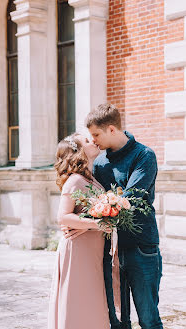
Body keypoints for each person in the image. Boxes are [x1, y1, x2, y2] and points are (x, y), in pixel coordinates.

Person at [84, 103, 163, 329]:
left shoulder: (144, 155)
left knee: (148, 318)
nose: (94, 141)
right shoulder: (99, 163)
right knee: (117, 320)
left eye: (96, 134)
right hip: (109, 249)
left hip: (141, 247)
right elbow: (90, 199)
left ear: (111, 129)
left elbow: (128, 199)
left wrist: (97, 210)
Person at [48, 133, 120, 329]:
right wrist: (95, 224)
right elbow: (62, 217)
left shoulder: (91, 178)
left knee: (91, 300)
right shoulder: (74, 181)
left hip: (92, 251)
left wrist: (91, 222)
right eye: (87, 141)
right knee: (78, 301)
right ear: (78, 152)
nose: (93, 141)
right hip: (78, 252)